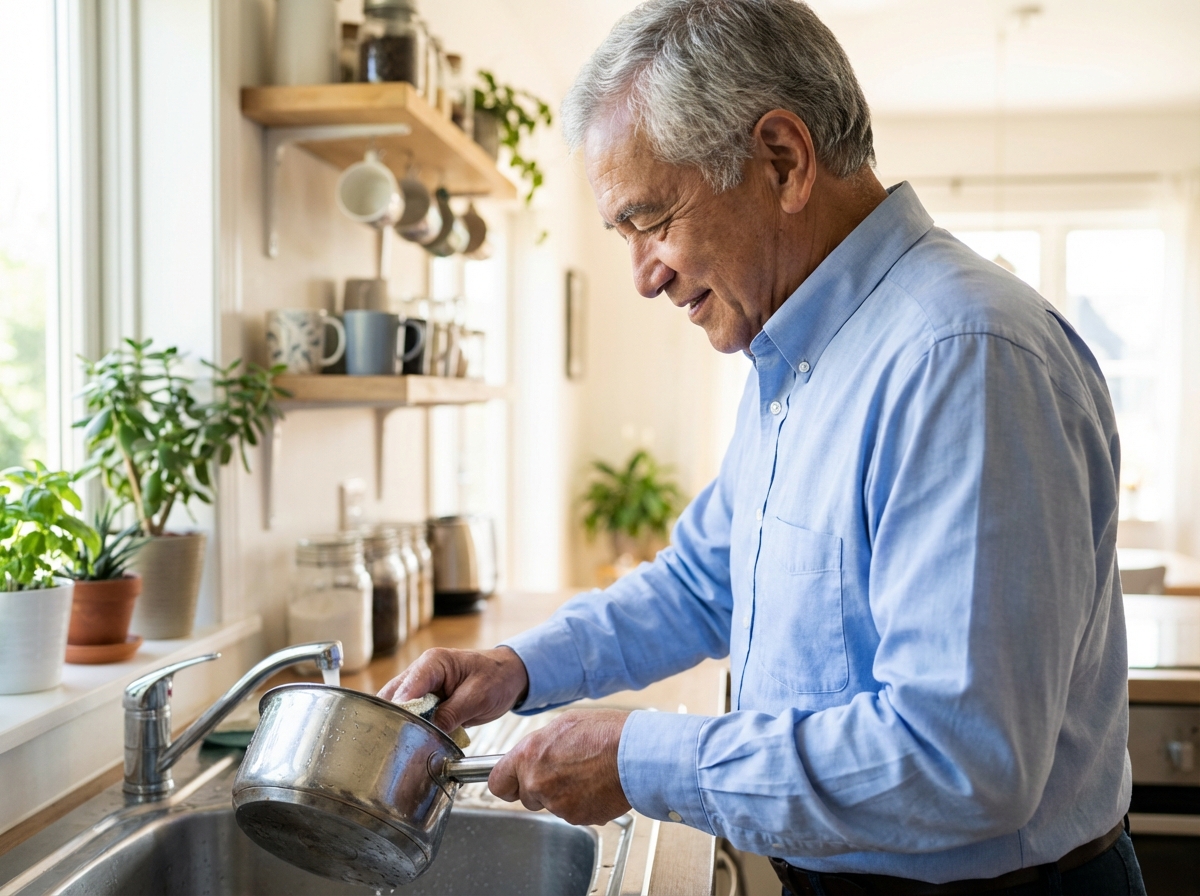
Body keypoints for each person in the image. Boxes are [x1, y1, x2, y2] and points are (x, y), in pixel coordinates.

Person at [379, 1, 1145, 892]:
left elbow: (961, 761)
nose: (643, 275)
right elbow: (705, 580)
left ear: (783, 159)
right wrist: (514, 670)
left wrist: (639, 757)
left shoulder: (962, 357)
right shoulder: (799, 356)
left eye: (652, 219)